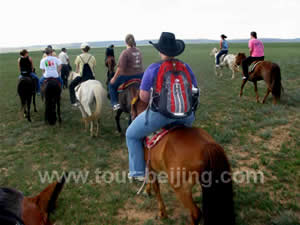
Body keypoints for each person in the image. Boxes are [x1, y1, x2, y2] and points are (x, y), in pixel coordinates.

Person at [125, 32, 199, 181]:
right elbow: (195, 90)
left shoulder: (153, 69)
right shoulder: (186, 67)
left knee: (131, 135)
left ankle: (138, 173)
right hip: (186, 117)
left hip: (161, 116)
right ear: (176, 51)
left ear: (160, 50)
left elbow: (143, 97)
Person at [109, 34, 144, 110]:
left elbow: (120, 68)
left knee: (111, 86)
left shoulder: (125, 52)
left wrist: (114, 78)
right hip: (141, 75)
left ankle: (115, 104)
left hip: (128, 76)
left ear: (126, 42)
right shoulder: (139, 51)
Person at [69, 42, 96, 107]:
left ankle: (73, 102)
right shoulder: (92, 57)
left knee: (71, 86)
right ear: (88, 49)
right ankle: (95, 99)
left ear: (82, 49)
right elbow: (93, 67)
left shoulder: (79, 57)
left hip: (81, 76)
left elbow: (77, 69)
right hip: (91, 76)